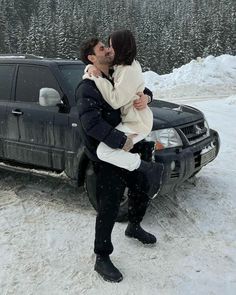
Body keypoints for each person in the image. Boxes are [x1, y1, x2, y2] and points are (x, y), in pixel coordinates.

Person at [76, 37, 163, 283]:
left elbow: (136, 88)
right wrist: (119, 142)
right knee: (109, 205)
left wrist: (147, 97)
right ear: (92, 58)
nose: (108, 49)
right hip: (108, 155)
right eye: (102, 48)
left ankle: (133, 226)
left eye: (108, 45)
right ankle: (101, 256)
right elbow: (91, 124)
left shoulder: (117, 73)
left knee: (140, 188)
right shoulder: (87, 87)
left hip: (130, 145)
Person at [83, 30, 155, 174]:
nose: (109, 50)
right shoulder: (120, 67)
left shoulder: (127, 70)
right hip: (133, 120)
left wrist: (95, 78)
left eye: (110, 46)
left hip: (136, 122)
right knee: (107, 152)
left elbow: (116, 101)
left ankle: (145, 169)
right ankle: (141, 165)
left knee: (104, 152)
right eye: (105, 47)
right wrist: (89, 68)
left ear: (121, 47)